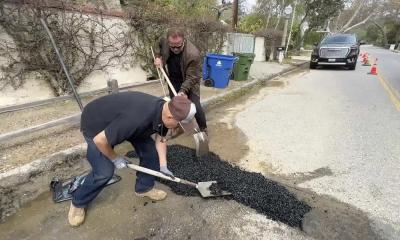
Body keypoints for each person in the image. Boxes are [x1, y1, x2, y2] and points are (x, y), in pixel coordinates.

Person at [68, 91, 196, 227]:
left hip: (123, 122)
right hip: (96, 125)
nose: (177, 129)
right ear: (170, 117)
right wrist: (115, 158)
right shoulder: (137, 118)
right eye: (178, 125)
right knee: (104, 171)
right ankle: (78, 202)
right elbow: (100, 140)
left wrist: (163, 166)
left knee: (151, 154)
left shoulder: (165, 110)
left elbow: (161, 139)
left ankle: (144, 188)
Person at [154, 27, 207, 134]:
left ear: (184, 40)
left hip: (190, 80)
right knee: (175, 106)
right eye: (172, 46)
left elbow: (192, 77)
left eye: (178, 46)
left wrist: (182, 91)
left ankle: (203, 129)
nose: (175, 49)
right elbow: (158, 45)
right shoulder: (164, 41)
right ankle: (177, 127)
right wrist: (158, 57)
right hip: (173, 79)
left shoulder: (193, 54)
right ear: (168, 41)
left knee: (195, 105)